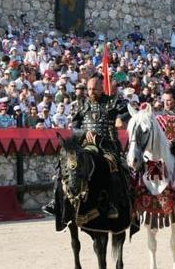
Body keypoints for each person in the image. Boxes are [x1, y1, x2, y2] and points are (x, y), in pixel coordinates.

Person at [42, 75, 129, 219]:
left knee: (114, 167)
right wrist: (85, 132)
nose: (91, 92)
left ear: (102, 88)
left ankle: (112, 203)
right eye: (89, 89)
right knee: (63, 164)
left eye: (94, 89)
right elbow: (74, 128)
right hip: (85, 146)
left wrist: (120, 118)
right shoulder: (81, 105)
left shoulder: (112, 102)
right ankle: (56, 202)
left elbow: (126, 111)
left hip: (107, 146)